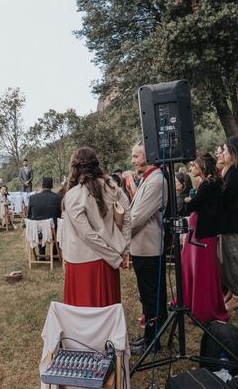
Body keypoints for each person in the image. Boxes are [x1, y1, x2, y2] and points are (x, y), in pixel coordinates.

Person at [62, 148, 131, 307]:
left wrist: (117, 256)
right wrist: (122, 252)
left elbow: (88, 235)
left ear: (74, 167)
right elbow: (127, 218)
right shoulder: (112, 187)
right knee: (106, 311)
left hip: (83, 262)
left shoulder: (73, 195)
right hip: (108, 259)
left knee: (84, 315)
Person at [180, 153, 229, 323]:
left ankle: (203, 309)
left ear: (202, 166)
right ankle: (190, 302)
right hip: (198, 233)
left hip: (203, 235)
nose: (191, 168)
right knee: (191, 268)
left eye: (194, 165)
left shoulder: (209, 184)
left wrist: (184, 201)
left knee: (202, 272)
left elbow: (192, 206)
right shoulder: (207, 183)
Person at [128, 142, 168, 355]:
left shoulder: (156, 181)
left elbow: (137, 219)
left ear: (148, 156)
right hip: (142, 248)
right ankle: (149, 337)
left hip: (149, 249)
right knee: (148, 296)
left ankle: (153, 342)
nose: (133, 160)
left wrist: (117, 234)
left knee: (152, 297)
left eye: (136, 156)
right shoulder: (148, 179)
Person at [219, 137, 238, 312]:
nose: (223, 153)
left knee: (233, 260)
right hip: (229, 224)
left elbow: (225, 197)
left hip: (232, 225)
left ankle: (236, 296)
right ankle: (232, 292)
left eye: (225, 150)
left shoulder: (233, 171)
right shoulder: (230, 171)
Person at [28, 176, 63, 257]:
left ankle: (41, 254)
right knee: (56, 223)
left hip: (36, 232)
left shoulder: (32, 197)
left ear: (42, 185)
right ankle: (54, 253)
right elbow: (60, 215)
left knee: (39, 223)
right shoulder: (58, 197)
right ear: (52, 186)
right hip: (52, 232)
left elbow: (29, 215)